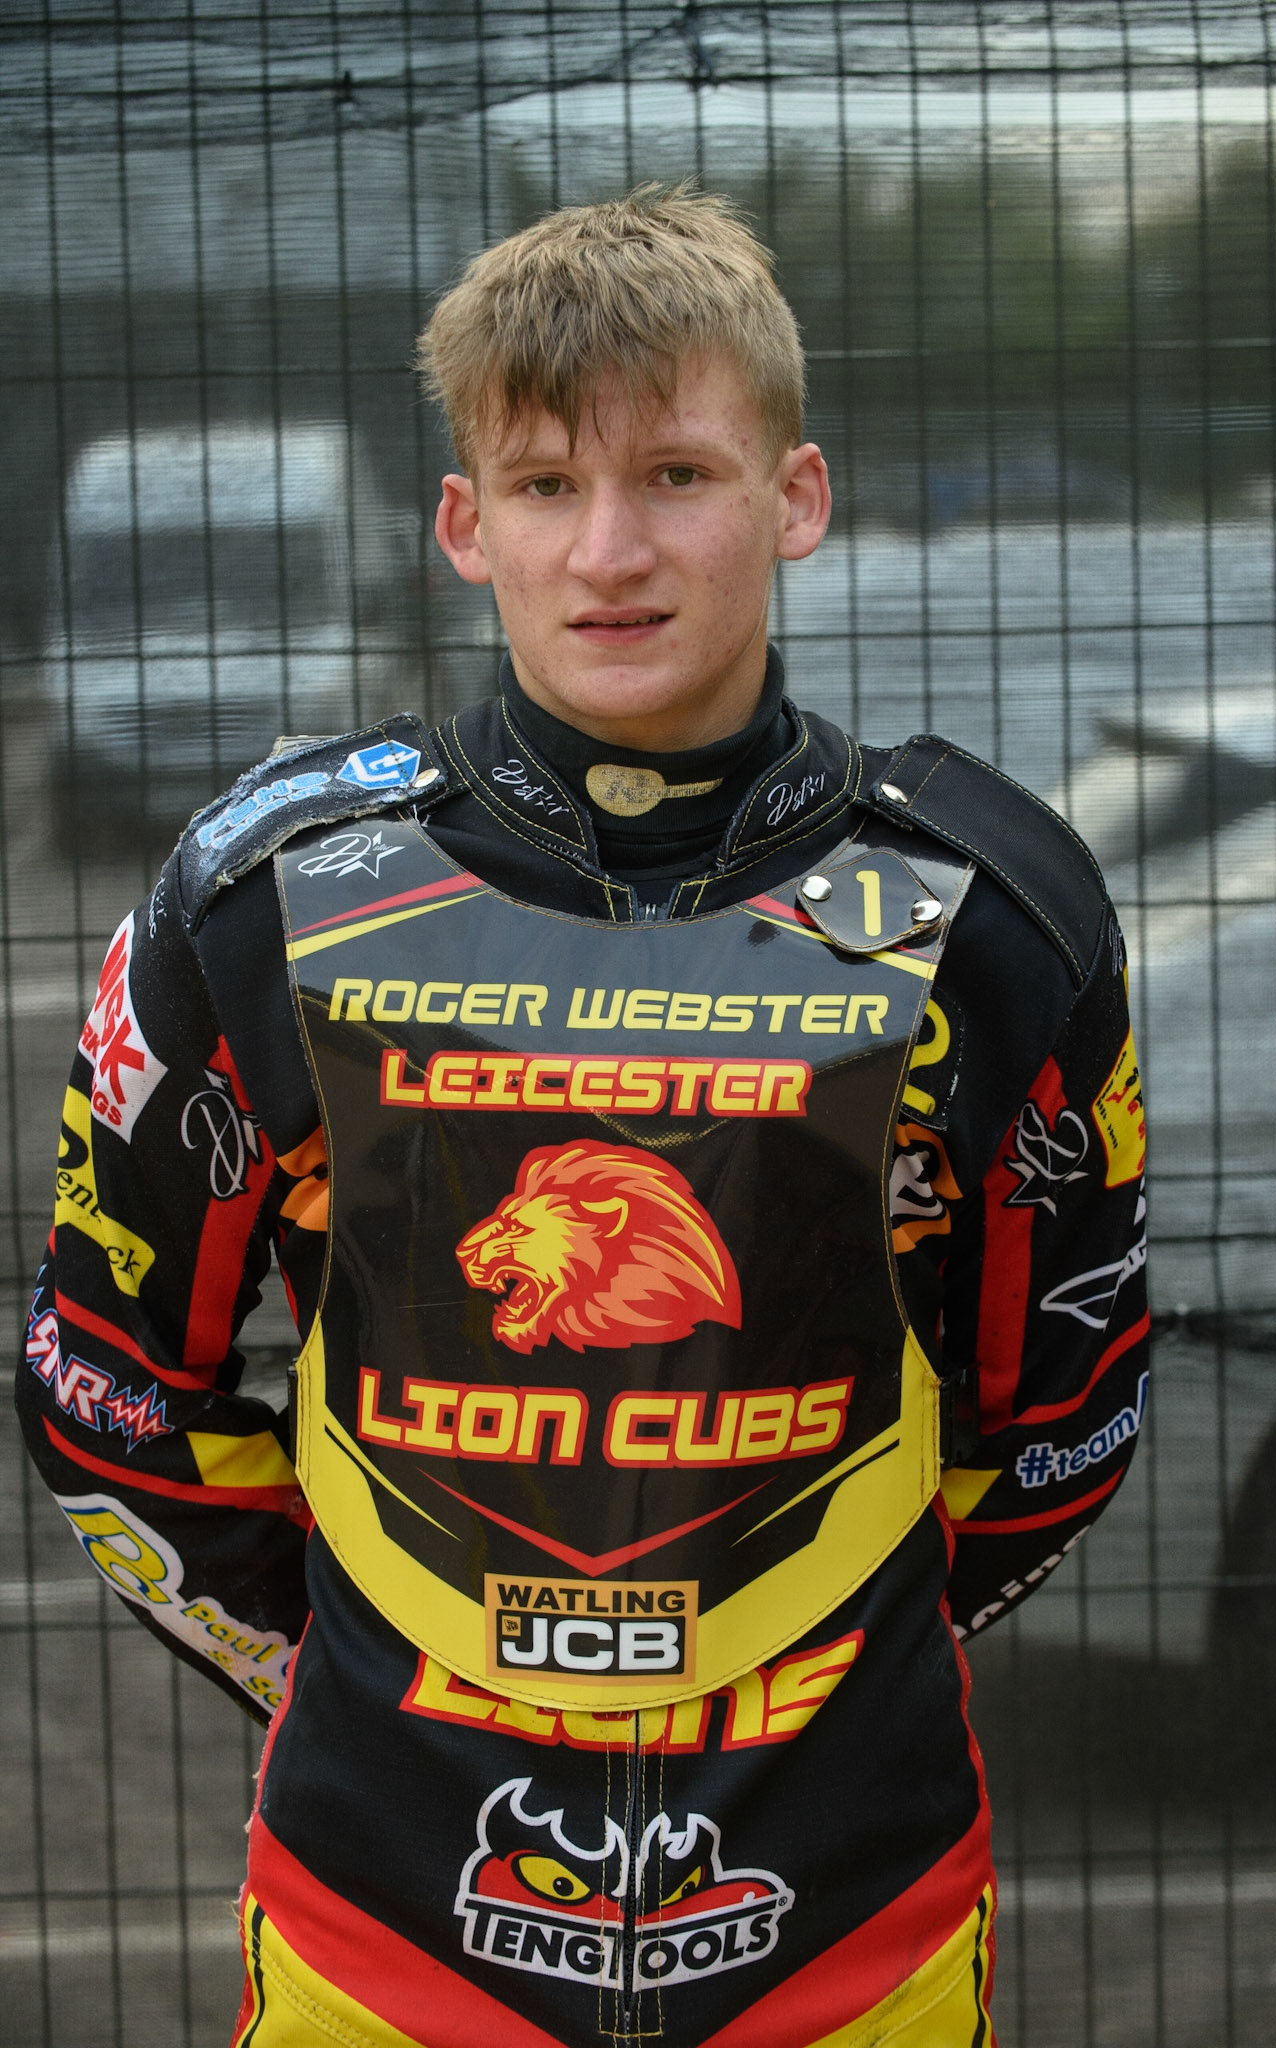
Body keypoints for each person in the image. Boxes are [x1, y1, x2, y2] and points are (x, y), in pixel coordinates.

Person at [17, 186, 1149, 2047]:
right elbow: (104, 1385)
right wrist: (357, 1669)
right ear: (466, 526)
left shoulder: (992, 909)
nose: (611, 551)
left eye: (677, 475)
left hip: (851, 1921)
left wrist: (828, 1662)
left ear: (795, 496)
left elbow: (1067, 1407)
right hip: (384, 1926)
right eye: (547, 486)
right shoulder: (263, 896)